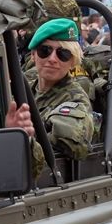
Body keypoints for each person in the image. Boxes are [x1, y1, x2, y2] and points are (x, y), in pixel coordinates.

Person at [25, 19, 95, 160]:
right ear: (33, 55)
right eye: (45, 50)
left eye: (63, 54)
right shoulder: (22, 88)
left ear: (72, 62)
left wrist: (26, 136)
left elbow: (73, 148)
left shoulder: (75, 99)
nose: (52, 59)